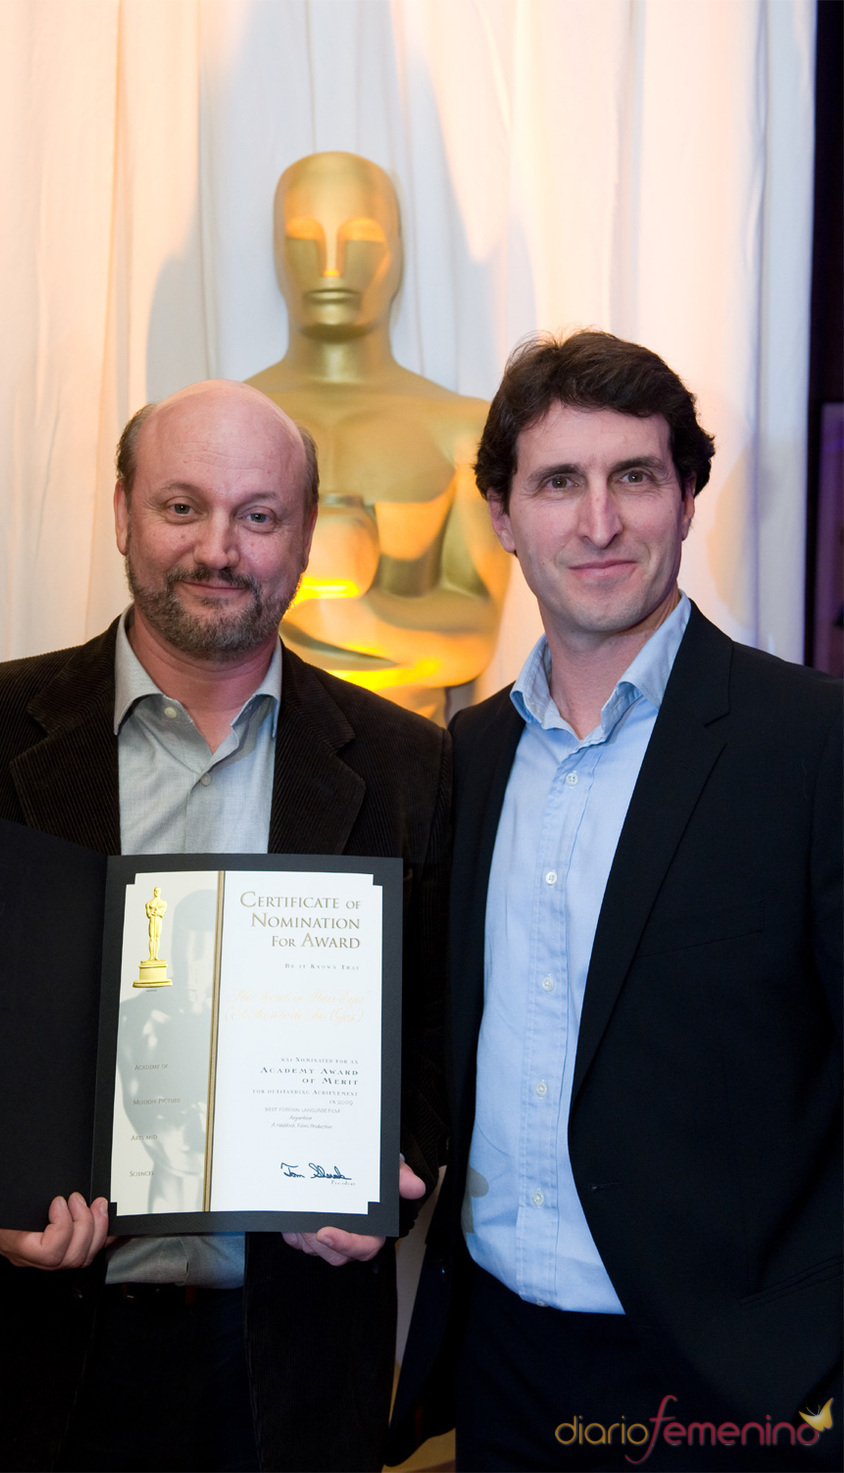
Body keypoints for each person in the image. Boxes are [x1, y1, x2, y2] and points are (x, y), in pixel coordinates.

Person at [0, 380, 451, 1473]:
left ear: (302, 533)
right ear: (122, 513)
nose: (218, 548)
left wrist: (390, 1171)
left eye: (258, 513)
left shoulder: (403, 762)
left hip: (280, 1373)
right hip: (12, 1366)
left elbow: (431, 1030)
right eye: (181, 507)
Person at [392, 331, 841, 1472]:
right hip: (499, 1366)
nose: (597, 523)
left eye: (632, 477)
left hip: (733, 1387)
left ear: (685, 498)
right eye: (556, 483)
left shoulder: (810, 744)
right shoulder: (467, 756)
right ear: (499, 514)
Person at [248, 150, 510, 722]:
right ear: (273, 251)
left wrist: (353, 620)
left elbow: (474, 638)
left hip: (410, 768)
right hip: (248, 759)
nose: (333, 266)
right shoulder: (222, 425)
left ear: (397, 252)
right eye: (303, 239)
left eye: (362, 239)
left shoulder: (462, 430)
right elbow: (187, 626)